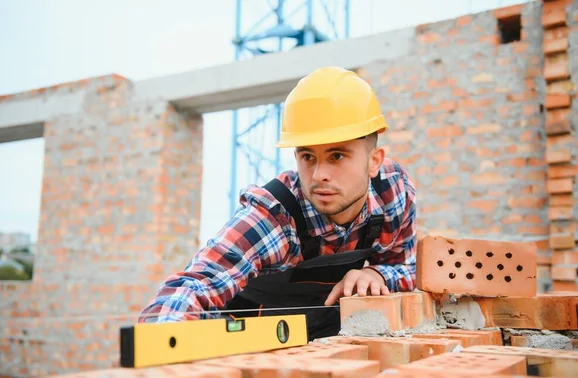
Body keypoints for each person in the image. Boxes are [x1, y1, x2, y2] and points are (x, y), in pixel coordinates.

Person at [138, 66, 417, 340]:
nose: (319, 175)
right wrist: (160, 340)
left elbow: (408, 267)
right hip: (249, 346)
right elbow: (197, 282)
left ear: (374, 161)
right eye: (308, 156)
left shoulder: (393, 192)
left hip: (331, 348)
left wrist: (377, 274)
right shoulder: (275, 216)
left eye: (337, 156)